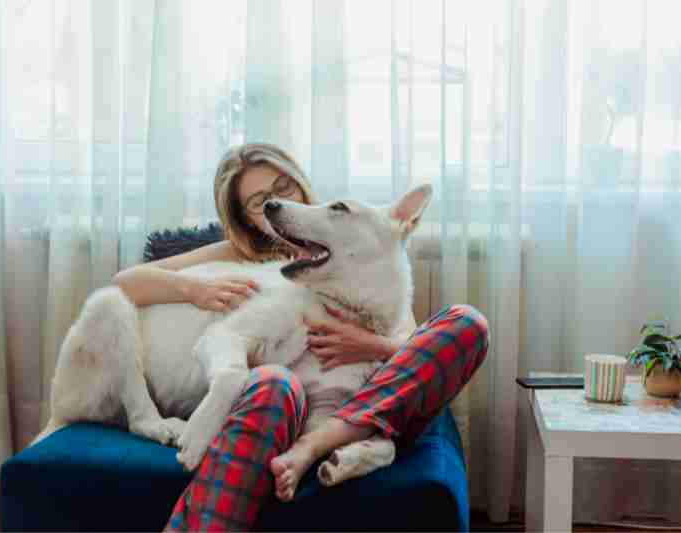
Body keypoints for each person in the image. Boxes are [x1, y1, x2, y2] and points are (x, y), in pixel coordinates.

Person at [113, 142, 489, 532]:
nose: (276, 203)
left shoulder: (352, 238)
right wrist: (194, 290)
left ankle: (329, 441)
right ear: (244, 219)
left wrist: (365, 343)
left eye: (283, 187)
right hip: (280, 396)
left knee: (467, 323)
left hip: (358, 400)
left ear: (300, 183)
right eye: (259, 201)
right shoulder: (241, 254)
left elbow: (414, 349)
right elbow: (126, 283)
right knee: (274, 384)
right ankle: (332, 441)